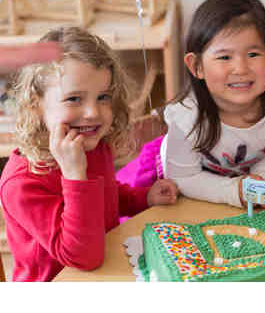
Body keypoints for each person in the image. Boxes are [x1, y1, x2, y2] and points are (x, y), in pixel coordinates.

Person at [0, 27, 178, 281]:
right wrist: (75, 175)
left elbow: (105, 195)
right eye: (74, 98)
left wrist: (144, 198)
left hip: (104, 272)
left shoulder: (92, 145)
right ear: (36, 106)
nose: (93, 112)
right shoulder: (22, 183)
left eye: (103, 97)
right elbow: (83, 257)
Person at [160, 0, 265, 208]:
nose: (241, 69)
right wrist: (237, 191)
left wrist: (261, 183)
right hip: (185, 193)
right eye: (225, 57)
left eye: (253, 54)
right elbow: (183, 178)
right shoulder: (186, 118)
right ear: (197, 66)